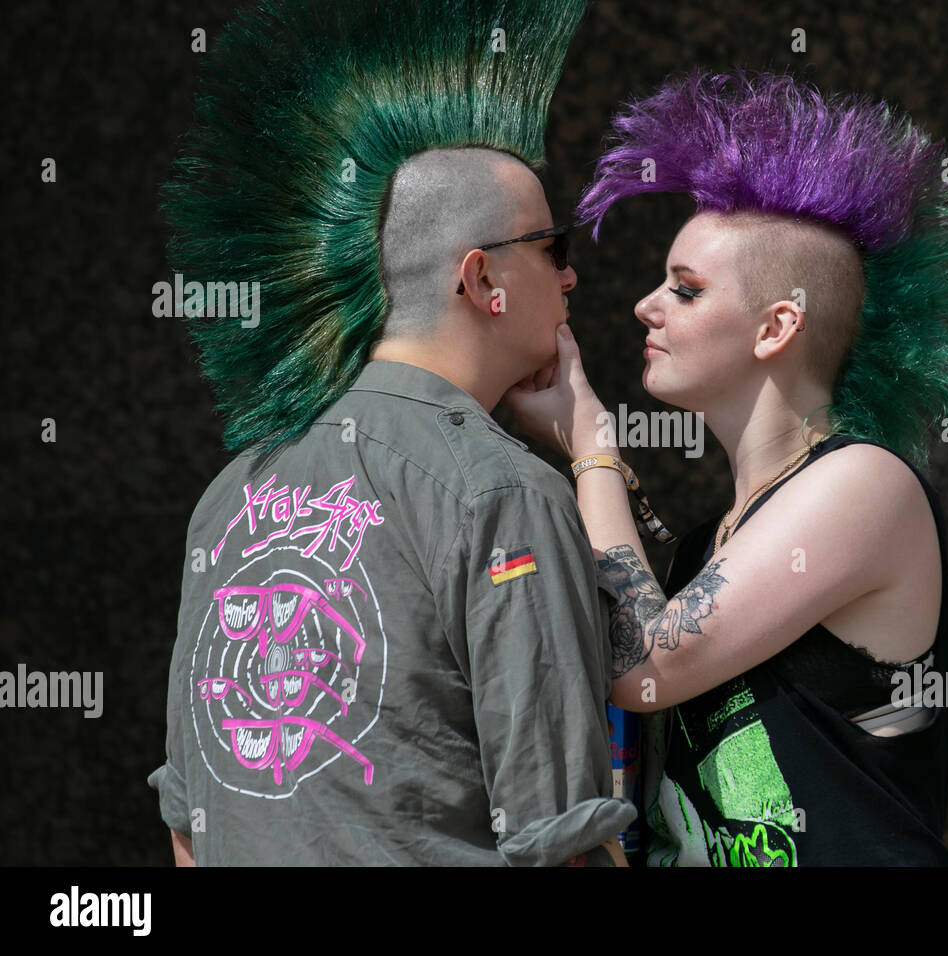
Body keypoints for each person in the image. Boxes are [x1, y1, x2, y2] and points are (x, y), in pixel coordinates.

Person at [146, 0, 635, 866]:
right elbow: (560, 843)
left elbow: (188, 830)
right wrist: (590, 452)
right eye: (551, 247)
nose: (570, 278)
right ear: (483, 278)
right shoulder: (504, 494)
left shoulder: (230, 493)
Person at [505, 70, 948, 865]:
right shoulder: (709, 543)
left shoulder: (865, 484)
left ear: (778, 327)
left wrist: (592, 448)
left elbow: (646, 665)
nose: (646, 305)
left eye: (686, 289)